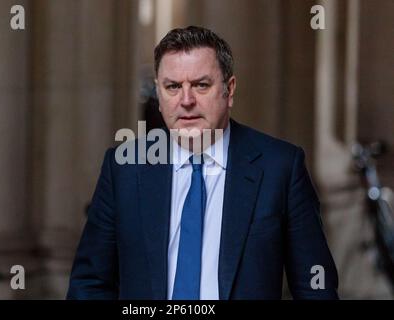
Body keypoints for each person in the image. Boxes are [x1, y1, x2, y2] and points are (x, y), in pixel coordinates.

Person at [66, 26, 339, 300]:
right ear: (159, 95)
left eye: (201, 85)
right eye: (173, 87)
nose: (186, 101)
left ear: (229, 90)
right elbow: (89, 284)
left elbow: (315, 288)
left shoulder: (280, 167)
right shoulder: (124, 168)